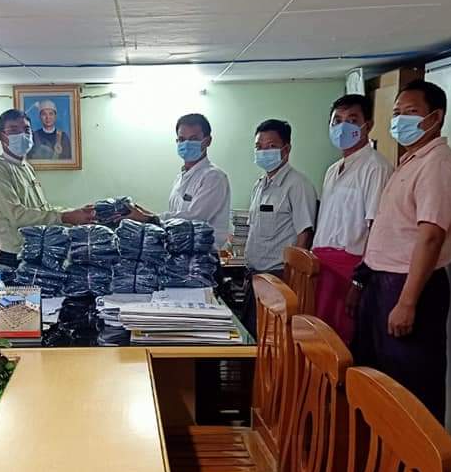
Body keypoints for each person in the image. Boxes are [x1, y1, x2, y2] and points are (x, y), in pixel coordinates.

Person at [349, 80, 451, 423]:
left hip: (409, 286)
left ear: (436, 117)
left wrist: (407, 302)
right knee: (381, 377)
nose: (401, 120)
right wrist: (361, 282)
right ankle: (383, 452)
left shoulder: (438, 165)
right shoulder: (411, 161)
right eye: (397, 112)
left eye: (411, 112)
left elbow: (431, 236)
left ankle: (416, 457)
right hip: (382, 282)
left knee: (411, 383)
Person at [313, 94, 393, 343]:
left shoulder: (376, 167)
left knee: (345, 343)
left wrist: (358, 283)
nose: (343, 126)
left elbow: (376, 229)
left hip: (351, 271)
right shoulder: (332, 170)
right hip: (323, 267)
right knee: (321, 342)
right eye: (337, 120)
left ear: (368, 125)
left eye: (352, 119)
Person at [0, 109, 94, 267]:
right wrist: (65, 217)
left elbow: (42, 208)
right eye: (14, 130)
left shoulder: (26, 167)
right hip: (15, 255)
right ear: (2, 136)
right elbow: (18, 216)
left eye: (26, 130)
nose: (22, 135)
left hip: (39, 250)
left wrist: (77, 213)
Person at [241, 118, 318, 334]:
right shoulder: (260, 186)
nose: (263, 152)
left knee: (273, 341)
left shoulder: (298, 185)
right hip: (255, 276)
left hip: (280, 278)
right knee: (252, 338)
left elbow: (305, 233)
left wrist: (294, 280)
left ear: (286, 149)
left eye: (271, 146)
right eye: (259, 147)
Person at [128, 113, 232, 247]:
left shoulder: (214, 177)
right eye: (182, 139)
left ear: (207, 141)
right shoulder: (181, 178)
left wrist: (147, 218)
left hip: (204, 255)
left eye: (193, 139)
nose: (186, 144)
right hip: (180, 252)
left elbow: (194, 220)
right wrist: (143, 213)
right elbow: (175, 218)